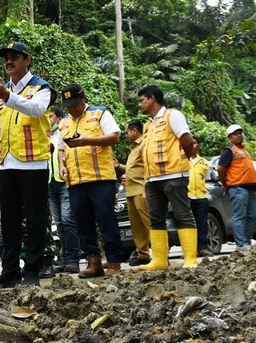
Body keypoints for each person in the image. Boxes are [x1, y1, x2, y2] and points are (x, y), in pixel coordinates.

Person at [0, 41, 56, 289]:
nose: (9, 60)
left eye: (15, 56)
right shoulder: (1, 94)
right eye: (6, 57)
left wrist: (8, 96)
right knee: (9, 220)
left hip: (34, 164)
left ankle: (33, 270)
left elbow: (36, 110)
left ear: (27, 60)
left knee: (36, 219)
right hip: (8, 164)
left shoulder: (41, 87)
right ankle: (10, 270)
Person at [58, 83, 124, 278]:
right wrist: (62, 164)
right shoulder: (64, 123)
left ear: (84, 99)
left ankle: (114, 262)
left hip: (100, 178)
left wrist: (87, 140)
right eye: (68, 105)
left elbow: (115, 137)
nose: (71, 108)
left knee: (106, 220)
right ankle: (93, 262)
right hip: (75, 180)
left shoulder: (100, 113)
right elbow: (61, 146)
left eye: (75, 104)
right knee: (82, 223)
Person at [138, 85, 197, 271]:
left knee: (182, 214)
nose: (140, 104)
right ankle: (159, 260)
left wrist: (184, 160)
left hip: (174, 175)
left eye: (142, 100)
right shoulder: (148, 124)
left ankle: (190, 259)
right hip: (153, 179)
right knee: (156, 218)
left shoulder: (173, 115)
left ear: (152, 98)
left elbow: (187, 140)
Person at [47, 107, 81, 275]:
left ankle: (74, 259)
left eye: (51, 116)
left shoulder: (63, 130)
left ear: (58, 118)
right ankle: (65, 259)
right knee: (59, 223)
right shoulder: (46, 135)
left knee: (68, 220)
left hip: (64, 181)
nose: (48, 119)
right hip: (50, 183)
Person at [217, 124, 256, 253]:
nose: (239, 136)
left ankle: (246, 241)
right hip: (237, 188)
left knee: (254, 214)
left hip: (251, 188)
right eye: (236, 134)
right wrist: (225, 185)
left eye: (240, 133)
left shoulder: (244, 151)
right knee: (239, 216)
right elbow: (220, 168)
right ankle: (241, 245)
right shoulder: (229, 150)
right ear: (230, 137)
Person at [115, 119, 152, 266]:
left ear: (135, 131)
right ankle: (143, 254)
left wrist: (146, 189)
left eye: (127, 132)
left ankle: (160, 253)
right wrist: (119, 167)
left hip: (140, 189)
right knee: (137, 226)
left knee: (149, 223)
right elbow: (134, 168)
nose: (126, 135)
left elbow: (148, 167)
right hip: (130, 191)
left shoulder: (144, 144)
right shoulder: (133, 148)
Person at [188, 135, 214, 258]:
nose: (192, 146)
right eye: (190, 143)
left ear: (198, 146)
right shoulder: (182, 161)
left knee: (202, 223)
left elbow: (207, 179)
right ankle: (190, 250)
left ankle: (202, 247)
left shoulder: (204, 162)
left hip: (201, 197)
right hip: (187, 196)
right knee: (189, 224)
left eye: (194, 143)